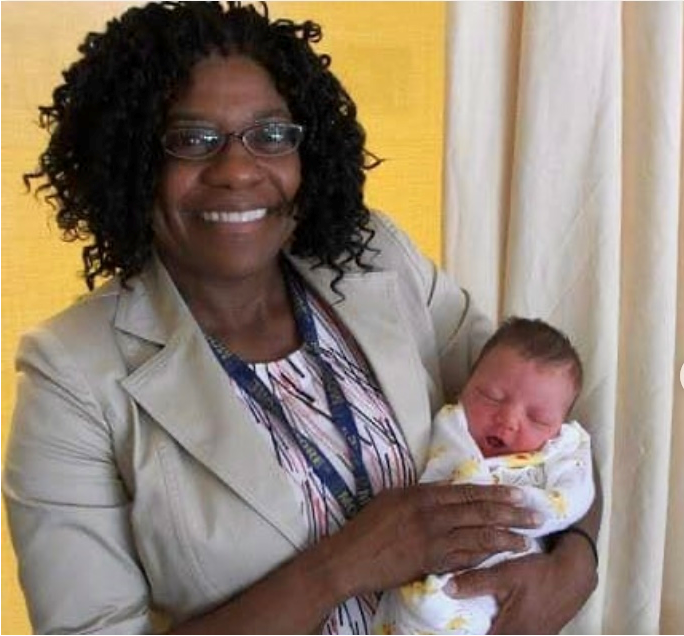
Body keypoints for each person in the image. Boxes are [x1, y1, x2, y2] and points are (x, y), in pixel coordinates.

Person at [2, 3, 600, 634]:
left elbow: (551, 417)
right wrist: (343, 566)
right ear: (130, 160)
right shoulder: (71, 373)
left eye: (270, 135)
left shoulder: (373, 258)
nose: (237, 169)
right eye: (192, 139)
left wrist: (575, 564)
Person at [372, 317, 596, 635]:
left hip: (506, 577)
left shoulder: (562, 453)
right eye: (491, 397)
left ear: (559, 429)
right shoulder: (451, 428)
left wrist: (534, 506)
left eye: (537, 418)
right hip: (427, 568)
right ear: (465, 386)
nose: (508, 420)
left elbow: (576, 497)